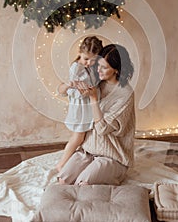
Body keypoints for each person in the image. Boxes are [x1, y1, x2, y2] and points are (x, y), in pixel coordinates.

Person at [57, 43, 135, 186]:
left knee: (83, 184)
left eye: (104, 67)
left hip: (112, 156)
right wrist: (70, 85)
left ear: (116, 70)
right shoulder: (97, 81)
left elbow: (102, 129)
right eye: (98, 65)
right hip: (87, 151)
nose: (98, 69)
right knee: (63, 180)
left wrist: (94, 99)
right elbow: (62, 91)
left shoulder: (125, 94)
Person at [56, 36, 103, 172]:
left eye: (92, 60)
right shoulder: (76, 68)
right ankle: (62, 163)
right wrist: (83, 92)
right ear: (79, 53)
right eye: (86, 59)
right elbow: (72, 90)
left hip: (88, 107)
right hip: (80, 109)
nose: (88, 63)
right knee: (77, 137)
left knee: (85, 136)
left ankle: (79, 160)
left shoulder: (92, 68)